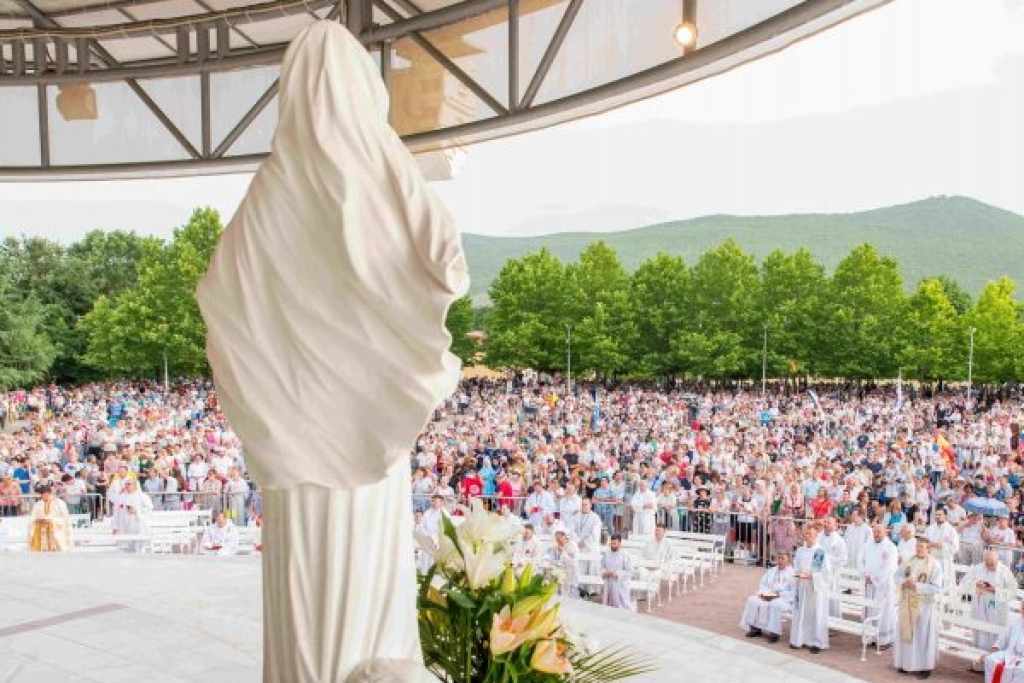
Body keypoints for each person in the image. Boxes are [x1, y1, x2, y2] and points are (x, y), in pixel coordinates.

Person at [894, 534, 943, 679]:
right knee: (907, 632)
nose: (918, 549)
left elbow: (937, 587)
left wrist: (917, 586)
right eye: (917, 546)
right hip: (908, 602)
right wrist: (904, 582)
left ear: (929, 549)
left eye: (922, 547)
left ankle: (924, 666)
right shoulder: (909, 560)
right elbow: (897, 576)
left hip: (924, 606)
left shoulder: (935, 565)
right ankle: (906, 663)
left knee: (922, 635)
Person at [962, 550, 1019, 671]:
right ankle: (978, 665)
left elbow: (1013, 590)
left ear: (997, 561)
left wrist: (995, 590)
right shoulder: (978, 568)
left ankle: (992, 667)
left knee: (994, 637)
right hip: (979, 607)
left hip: (996, 611)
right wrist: (975, 584)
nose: (989, 567)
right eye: (987, 564)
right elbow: (964, 583)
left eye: (992, 564)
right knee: (979, 635)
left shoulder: (1004, 571)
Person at [790, 523, 831, 654]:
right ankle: (799, 639)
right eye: (806, 534)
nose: (807, 536)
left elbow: (827, 573)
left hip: (815, 589)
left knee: (815, 614)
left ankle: (816, 642)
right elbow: (796, 565)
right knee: (801, 613)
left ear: (816, 536)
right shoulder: (801, 550)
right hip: (802, 586)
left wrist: (812, 575)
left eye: (810, 534)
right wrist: (797, 573)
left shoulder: (820, 552)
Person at [740, 552, 796, 643]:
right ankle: (755, 629)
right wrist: (764, 594)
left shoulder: (792, 574)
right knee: (753, 600)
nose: (780, 561)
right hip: (768, 595)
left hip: (783, 599)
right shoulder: (772, 570)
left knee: (775, 604)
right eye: (779, 558)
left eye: (783, 559)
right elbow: (763, 584)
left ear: (788, 561)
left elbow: (793, 591)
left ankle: (774, 633)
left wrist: (778, 595)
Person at [860, 523, 898, 650]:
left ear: (885, 533)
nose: (876, 534)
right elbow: (860, 560)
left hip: (883, 584)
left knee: (884, 611)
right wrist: (865, 575)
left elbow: (890, 568)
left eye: (879, 532)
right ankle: (871, 637)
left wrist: (875, 579)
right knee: (870, 610)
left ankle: (884, 640)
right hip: (869, 584)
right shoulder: (867, 545)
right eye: (874, 532)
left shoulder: (890, 547)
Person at [109, 477, 154, 552]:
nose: (126, 486)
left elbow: (149, 508)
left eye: (129, 484)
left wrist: (137, 511)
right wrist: (114, 527)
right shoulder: (120, 497)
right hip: (123, 526)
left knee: (137, 548)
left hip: (137, 526)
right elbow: (116, 512)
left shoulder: (142, 496)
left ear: (135, 485)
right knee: (124, 549)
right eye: (126, 484)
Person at [984, 605, 1024, 683]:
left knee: (1021, 670)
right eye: (1023, 608)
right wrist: (996, 646)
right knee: (990, 659)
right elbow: (1004, 637)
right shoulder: (1015, 622)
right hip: (1010, 653)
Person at [27, 485, 72, 552]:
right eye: (43, 495)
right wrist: (37, 520)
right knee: (35, 525)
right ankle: (40, 548)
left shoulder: (59, 503)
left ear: (50, 493)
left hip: (56, 523)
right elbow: (33, 516)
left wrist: (50, 519)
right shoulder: (38, 504)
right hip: (41, 524)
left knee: (51, 524)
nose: (45, 497)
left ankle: (55, 547)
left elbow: (64, 517)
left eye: (46, 495)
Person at [924, 507, 960, 588]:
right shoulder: (930, 528)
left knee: (945, 583)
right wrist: (929, 546)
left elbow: (955, 547)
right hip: (932, 559)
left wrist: (940, 546)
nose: (937, 516)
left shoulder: (951, 530)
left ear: (945, 516)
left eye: (939, 515)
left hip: (945, 560)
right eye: (936, 515)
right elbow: (925, 542)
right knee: (931, 581)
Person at [820, 516, 848, 618]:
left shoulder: (839, 541)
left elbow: (843, 559)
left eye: (829, 523)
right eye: (825, 522)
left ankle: (833, 622)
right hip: (819, 575)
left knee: (832, 599)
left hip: (832, 574)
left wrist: (827, 559)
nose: (826, 524)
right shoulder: (819, 537)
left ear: (834, 526)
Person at [601, 534, 635, 610]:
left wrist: (617, 574)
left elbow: (630, 571)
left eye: (614, 544)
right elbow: (602, 566)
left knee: (622, 606)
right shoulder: (606, 554)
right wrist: (604, 572)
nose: (612, 545)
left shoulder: (625, 555)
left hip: (620, 584)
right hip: (608, 581)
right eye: (611, 543)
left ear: (620, 543)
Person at [548, 529, 579, 597]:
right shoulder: (555, 545)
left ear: (564, 536)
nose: (558, 541)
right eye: (556, 539)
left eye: (559, 539)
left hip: (569, 571)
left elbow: (573, 562)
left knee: (566, 591)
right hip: (558, 569)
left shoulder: (572, 545)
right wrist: (556, 563)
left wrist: (563, 552)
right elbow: (551, 559)